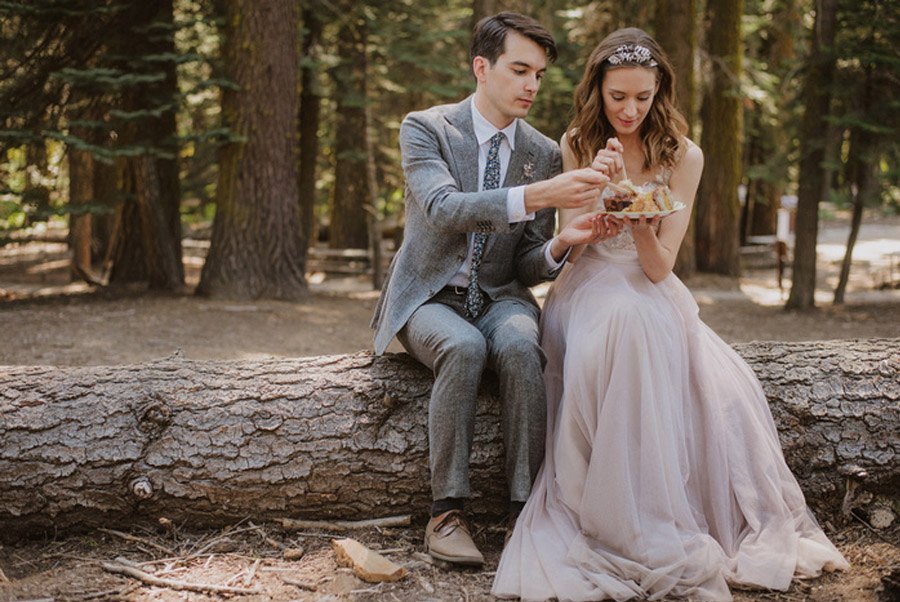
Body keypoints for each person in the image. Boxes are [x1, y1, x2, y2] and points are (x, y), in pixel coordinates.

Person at [493, 27, 849, 600]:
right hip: (585, 288)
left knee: (645, 324)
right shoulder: (578, 141)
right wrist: (594, 200)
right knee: (619, 324)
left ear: (661, 91)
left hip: (648, 281)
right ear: (597, 92)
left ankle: (647, 511)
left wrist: (637, 222)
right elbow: (572, 249)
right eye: (617, 98)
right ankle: (600, 510)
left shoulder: (685, 157)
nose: (630, 110)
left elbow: (661, 271)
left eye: (642, 97)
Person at [370, 13, 620, 566]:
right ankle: (446, 514)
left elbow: (528, 262)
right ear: (482, 67)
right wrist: (537, 195)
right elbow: (441, 209)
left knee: (518, 344)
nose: (532, 85)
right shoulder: (427, 127)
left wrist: (563, 244)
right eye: (520, 69)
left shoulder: (542, 152)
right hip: (429, 297)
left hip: (502, 297)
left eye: (540, 74)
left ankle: (524, 514)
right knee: (463, 346)